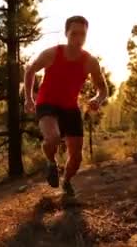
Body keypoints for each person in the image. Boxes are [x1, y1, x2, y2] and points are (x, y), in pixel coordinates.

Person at [24, 15, 108, 196]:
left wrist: (97, 99)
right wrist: (29, 98)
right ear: (66, 33)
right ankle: (51, 163)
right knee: (53, 137)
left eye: (82, 35)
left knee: (77, 157)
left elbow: (102, 88)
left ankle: (67, 181)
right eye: (74, 34)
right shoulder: (52, 54)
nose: (78, 39)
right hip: (47, 103)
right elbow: (30, 70)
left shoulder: (90, 61)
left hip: (70, 107)